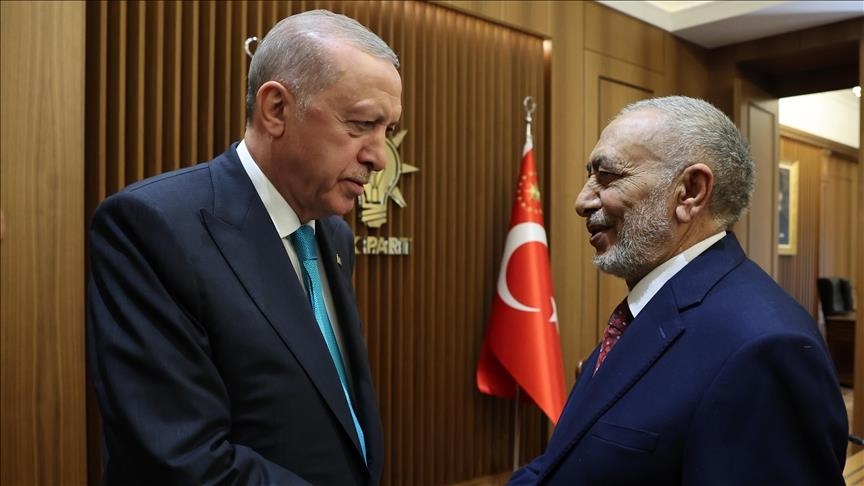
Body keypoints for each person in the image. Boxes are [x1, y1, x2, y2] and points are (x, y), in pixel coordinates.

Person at [87, 9, 401, 485]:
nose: (379, 157)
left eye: (387, 130)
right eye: (360, 124)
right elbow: (181, 459)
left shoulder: (332, 234)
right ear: (276, 109)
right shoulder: (152, 227)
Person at [510, 96, 848, 485]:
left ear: (690, 191)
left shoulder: (765, 348)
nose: (582, 201)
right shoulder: (649, 308)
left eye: (607, 176)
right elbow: (565, 461)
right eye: (589, 175)